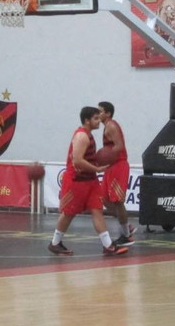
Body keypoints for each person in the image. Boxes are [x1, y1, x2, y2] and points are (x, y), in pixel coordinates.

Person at [48, 106, 129, 256]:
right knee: (68, 214)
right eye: (96, 118)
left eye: (99, 118)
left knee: (97, 210)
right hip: (76, 181)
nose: (99, 121)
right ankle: (55, 243)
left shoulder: (89, 135)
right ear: (87, 120)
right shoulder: (82, 136)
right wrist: (97, 169)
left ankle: (108, 245)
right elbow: (77, 161)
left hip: (90, 181)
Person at [98, 101, 134, 246]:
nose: (98, 114)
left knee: (118, 201)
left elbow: (119, 146)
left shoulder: (111, 125)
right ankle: (126, 225)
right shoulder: (107, 126)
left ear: (108, 113)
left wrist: (105, 156)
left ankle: (126, 235)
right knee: (104, 200)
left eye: (100, 111)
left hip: (118, 165)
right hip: (111, 166)